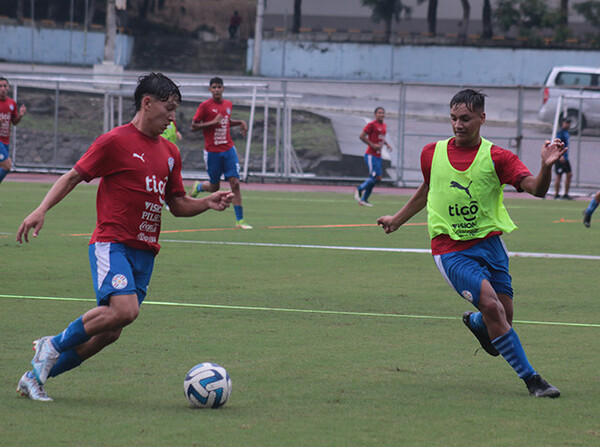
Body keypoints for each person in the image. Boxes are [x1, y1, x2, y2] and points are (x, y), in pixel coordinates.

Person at [15, 73, 234, 402]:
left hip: (145, 253)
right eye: (168, 108)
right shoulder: (115, 142)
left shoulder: (170, 152)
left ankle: (34, 377)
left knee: (110, 332)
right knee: (126, 310)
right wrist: (41, 208)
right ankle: (53, 344)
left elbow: (176, 204)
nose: (172, 117)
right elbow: (74, 176)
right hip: (111, 242)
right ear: (147, 103)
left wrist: (206, 203)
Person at [377, 89, 564, 398]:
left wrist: (545, 166)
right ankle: (533, 380)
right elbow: (428, 188)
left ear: (482, 118)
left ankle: (477, 323)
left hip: (491, 247)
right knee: (493, 307)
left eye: (465, 118)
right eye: (453, 118)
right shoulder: (431, 153)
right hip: (450, 249)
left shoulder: (497, 157)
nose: (458, 125)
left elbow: (536, 189)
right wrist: (397, 219)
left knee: (501, 316)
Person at [189, 76, 251, 229]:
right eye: (214, 87)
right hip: (212, 152)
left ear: (223, 89)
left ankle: (240, 220)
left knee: (235, 183)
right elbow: (193, 126)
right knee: (214, 187)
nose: (217, 90)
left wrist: (240, 123)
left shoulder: (228, 104)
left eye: (219, 87)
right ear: (210, 89)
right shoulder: (204, 106)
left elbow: (225, 122)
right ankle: (199, 187)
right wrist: (212, 122)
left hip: (228, 149)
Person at [354, 107, 392, 207]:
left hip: (378, 155)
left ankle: (363, 200)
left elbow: (380, 138)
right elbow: (362, 136)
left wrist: (387, 144)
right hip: (371, 155)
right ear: (375, 115)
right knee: (375, 177)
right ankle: (359, 189)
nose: (381, 114)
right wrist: (372, 145)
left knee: (377, 178)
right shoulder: (372, 125)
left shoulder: (384, 126)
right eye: (379, 113)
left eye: (383, 113)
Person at [0, 76, 27, 186]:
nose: (2, 88)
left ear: (8, 88)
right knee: (7, 166)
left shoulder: (11, 103)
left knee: (5, 167)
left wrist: (20, 115)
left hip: (5, 141)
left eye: (4, 86)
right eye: (0, 86)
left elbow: (14, 122)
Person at [553, 118, 572, 200]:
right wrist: (560, 156)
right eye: (566, 123)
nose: (567, 124)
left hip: (566, 158)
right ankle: (556, 194)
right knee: (559, 175)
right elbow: (557, 144)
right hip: (560, 157)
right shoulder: (560, 133)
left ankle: (566, 194)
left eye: (569, 123)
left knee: (569, 174)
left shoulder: (567, 132)